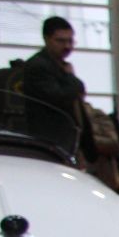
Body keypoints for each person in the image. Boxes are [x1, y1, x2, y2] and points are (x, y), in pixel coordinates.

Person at [16, 15, 86, 151]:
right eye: (60, 41)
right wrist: (70, 77)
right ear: (46, 39)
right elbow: (60, 97)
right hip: (50, 138)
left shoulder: (58, 64)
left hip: (63, 138)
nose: (67, 46)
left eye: (70, 41)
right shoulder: (39, 66)